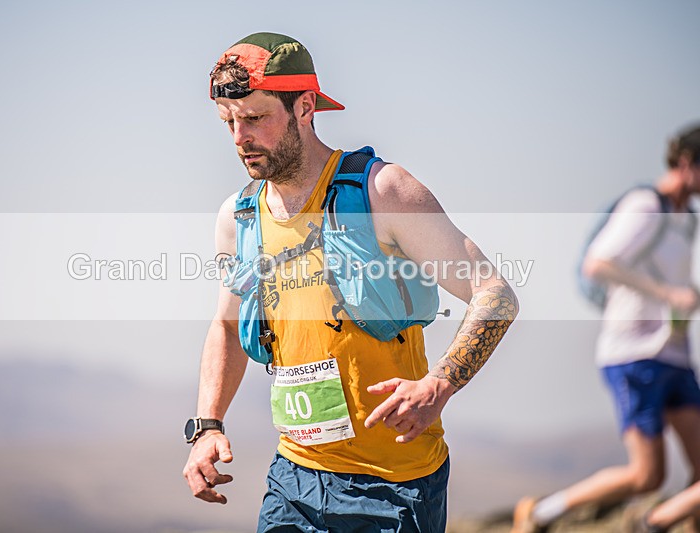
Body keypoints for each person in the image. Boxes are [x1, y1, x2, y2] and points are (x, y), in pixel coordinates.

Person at [182, 32, 518, 532]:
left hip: (396, 485)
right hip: (293, 477)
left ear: (305, 106)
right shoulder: (240, 216)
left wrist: (439, 385)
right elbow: (227, 328)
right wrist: (207, 426)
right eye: (228, 121)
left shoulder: (382, 191)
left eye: (255, 118)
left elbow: (495, 295)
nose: (239, 137)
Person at [512, 124, 700, 533]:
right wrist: (667, 292)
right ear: (687, 163)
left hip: (675, 352)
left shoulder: (686, 217)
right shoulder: (645, 205)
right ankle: (541, 513)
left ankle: (660, 521)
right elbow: (597, 263)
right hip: (633, 354)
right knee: (647, 476)